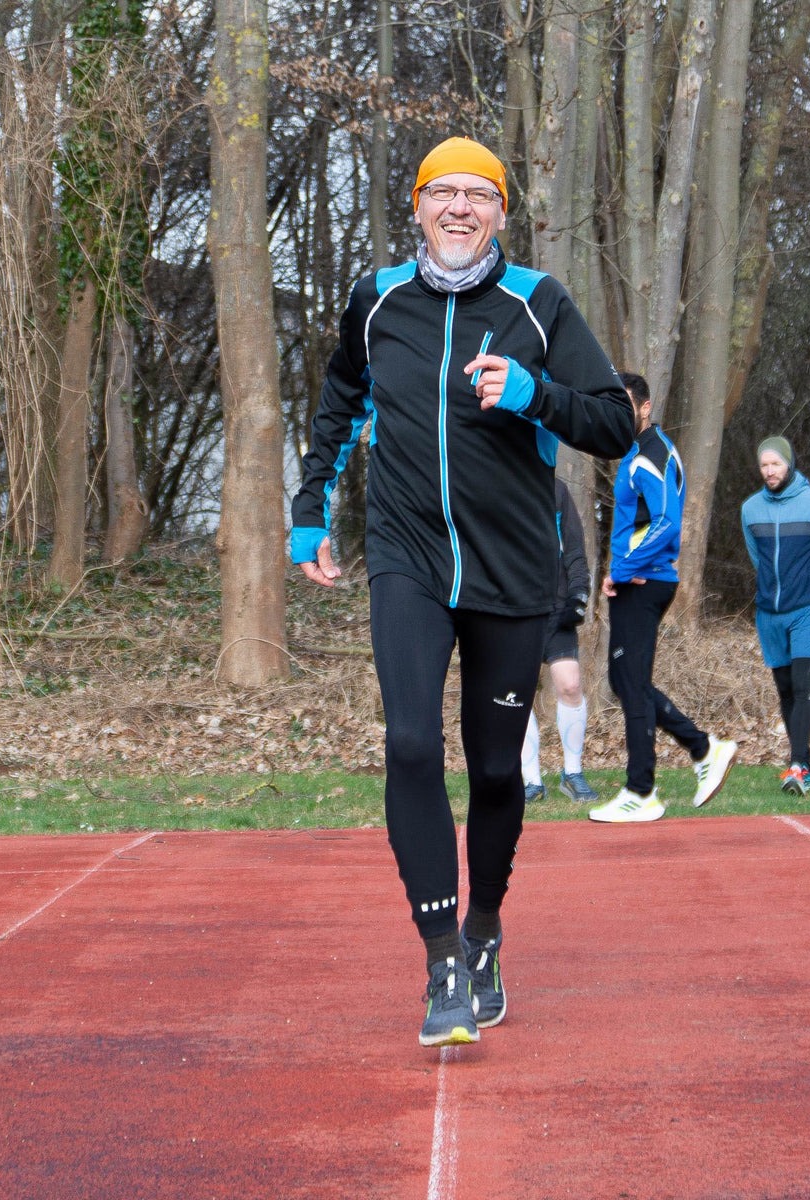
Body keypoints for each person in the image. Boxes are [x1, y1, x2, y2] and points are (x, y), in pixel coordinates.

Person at [290, 137, 634, 1048]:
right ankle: (441, 950)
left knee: (492, 769)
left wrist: (532, 392)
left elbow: (611, 422)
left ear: (500, 214)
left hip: (511, 571)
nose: (457, 208)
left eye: (476, 196)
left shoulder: (539, 304)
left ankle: (484, 930)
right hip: (408, 559)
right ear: (416, 207)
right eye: (440, 192)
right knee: (408, 741)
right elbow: (338, 397)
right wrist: (309, 508)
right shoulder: (378, 301)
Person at [588, 372, 738, 823]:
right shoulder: (641, 453)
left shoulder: (648, 456)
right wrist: (616, 571)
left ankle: (642, 791)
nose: (618, 413)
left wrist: (625, 569)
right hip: (640, 577)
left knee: (630, 684)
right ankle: (703, 747)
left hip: (645, 580)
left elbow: (667, 523)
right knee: (624, 681)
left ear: (646, 407)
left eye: (624, 404)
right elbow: (637, 523)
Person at [741, 435, 810, 795]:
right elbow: (757, 559)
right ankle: (804, 764)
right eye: (764, 465)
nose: (770, 471)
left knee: (803, 686)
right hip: (769, 613)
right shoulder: (750, 510)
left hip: (809, 610)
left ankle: (798, 766)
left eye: (776, 464)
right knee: (786, 689)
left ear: (789, 463)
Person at [520, 477, 598, 804]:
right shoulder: (497, 482)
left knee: (569, 685)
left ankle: (573, 773)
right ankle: (531, 782)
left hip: (556, 605)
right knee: (517, 695)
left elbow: (576, 548)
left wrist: (579, 591)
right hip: (515, 608)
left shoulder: (558, 489)